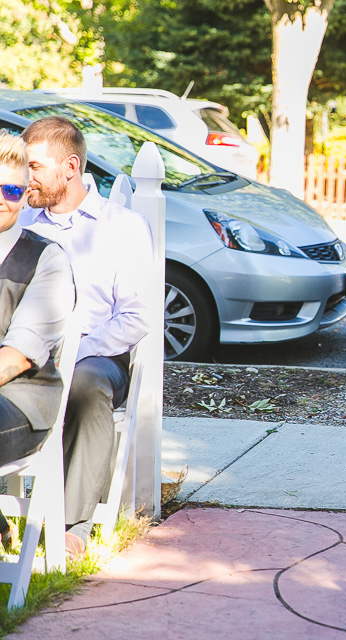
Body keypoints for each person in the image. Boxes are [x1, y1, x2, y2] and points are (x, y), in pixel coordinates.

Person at [20, 116, 152, 554]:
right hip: (27, 351)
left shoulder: (122, 227)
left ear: (70, 167)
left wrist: (76, 353)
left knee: (85, 382)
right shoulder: (21, 222)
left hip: (98, 357)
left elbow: (136, 317)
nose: (25, 176)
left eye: (34, 166)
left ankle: (72, 528)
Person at [0, 130, 74, 548]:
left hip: (22, 401)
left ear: (25, 193)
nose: (1, 198)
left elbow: (16, 357)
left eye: (10, 189)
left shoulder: (46, 259)